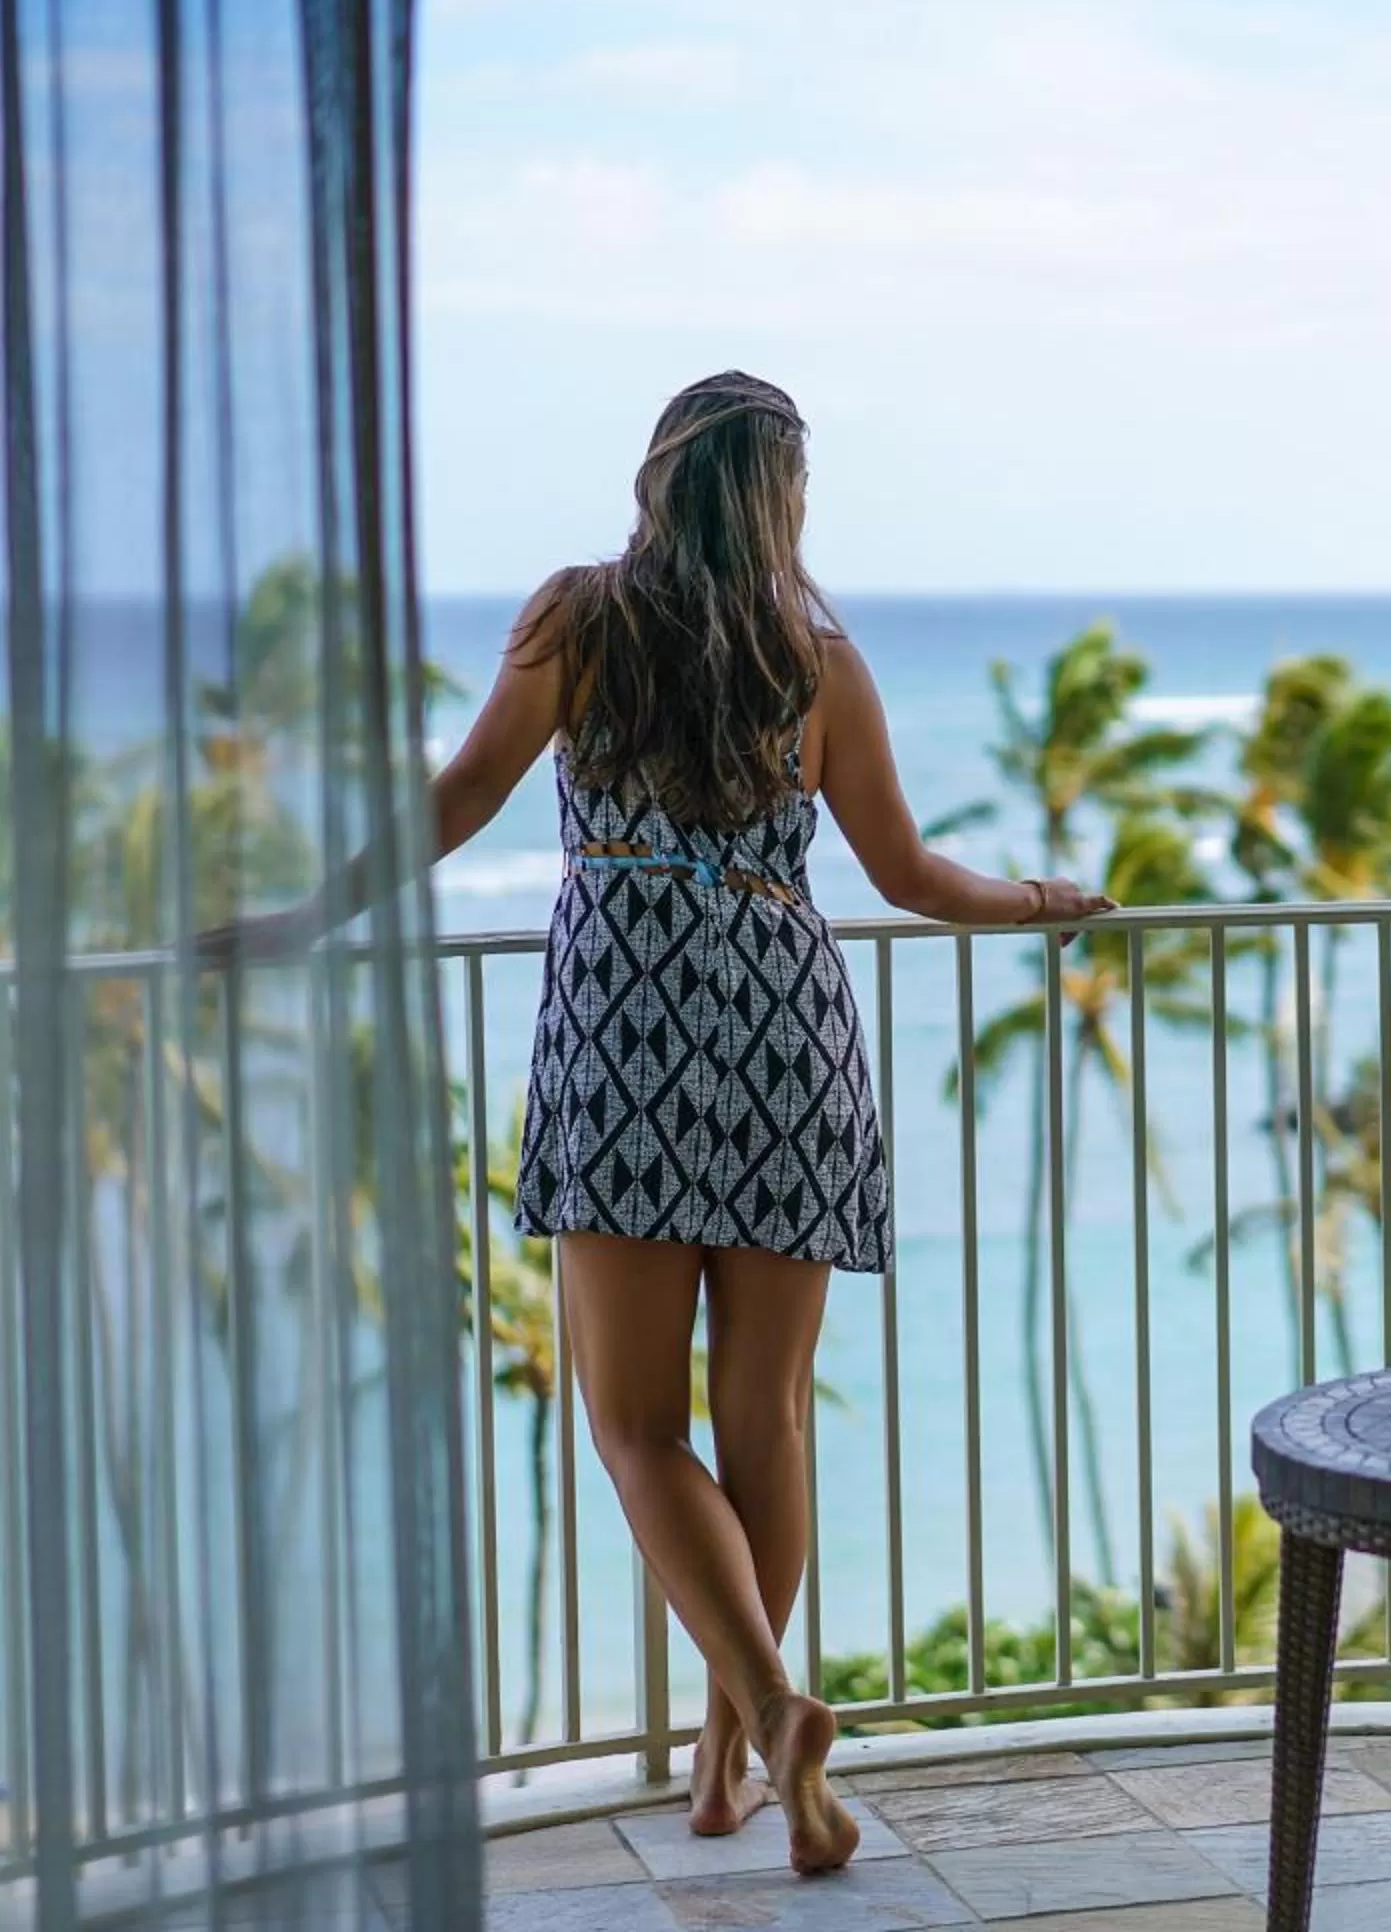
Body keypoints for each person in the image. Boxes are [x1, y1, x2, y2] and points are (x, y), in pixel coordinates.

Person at [218, 371, 1111, 1875]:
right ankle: (727, 1765)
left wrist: (308, 916)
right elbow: (905, 876)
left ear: (658, 480)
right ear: (781, 501)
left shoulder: (579, 620)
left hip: (623, 1037)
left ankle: (763, 1713)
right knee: (766, 1419)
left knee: (637, 1426)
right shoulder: (817, 661)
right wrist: (1040, 900)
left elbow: (459, 799)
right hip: (787, 1038)